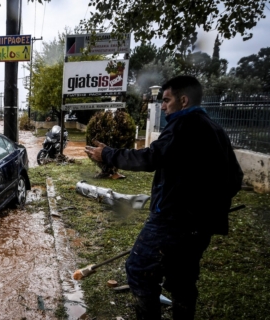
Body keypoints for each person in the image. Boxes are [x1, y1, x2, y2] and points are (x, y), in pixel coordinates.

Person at [85, 75, 243, 319]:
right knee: (182, 279)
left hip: (171, 222)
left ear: (183, 100)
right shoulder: (215, 129)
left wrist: (108, 154)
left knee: (139, 269)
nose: (164, 106)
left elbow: (150, 157)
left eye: (167, 100)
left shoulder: (184, 125)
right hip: (200, 227)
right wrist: (207, 209)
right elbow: (235, 178)